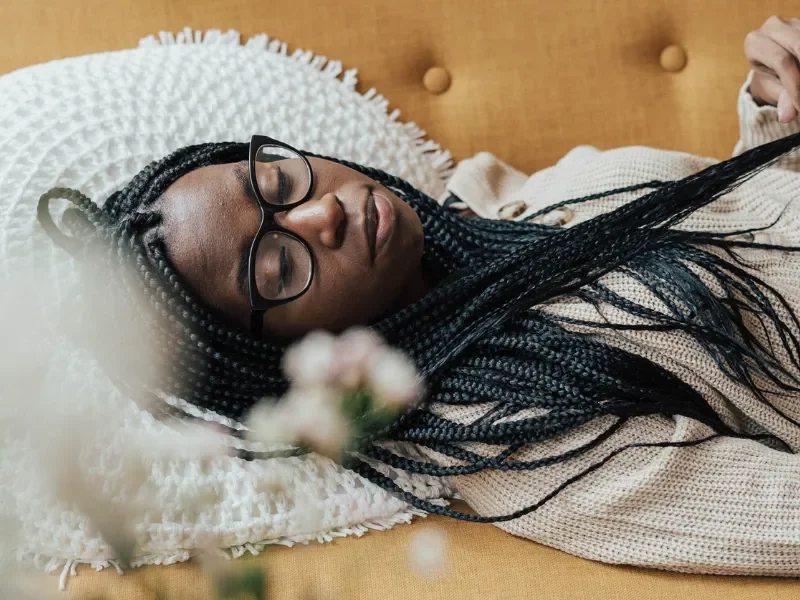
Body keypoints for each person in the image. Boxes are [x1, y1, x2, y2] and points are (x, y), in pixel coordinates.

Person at [35, 16, 800, 576]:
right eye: (276, 269)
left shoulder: (485, 207)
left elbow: (731, 252)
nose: (320, 212)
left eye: (277, 181)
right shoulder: (512, 425)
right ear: (286, 359)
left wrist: (774, 112)